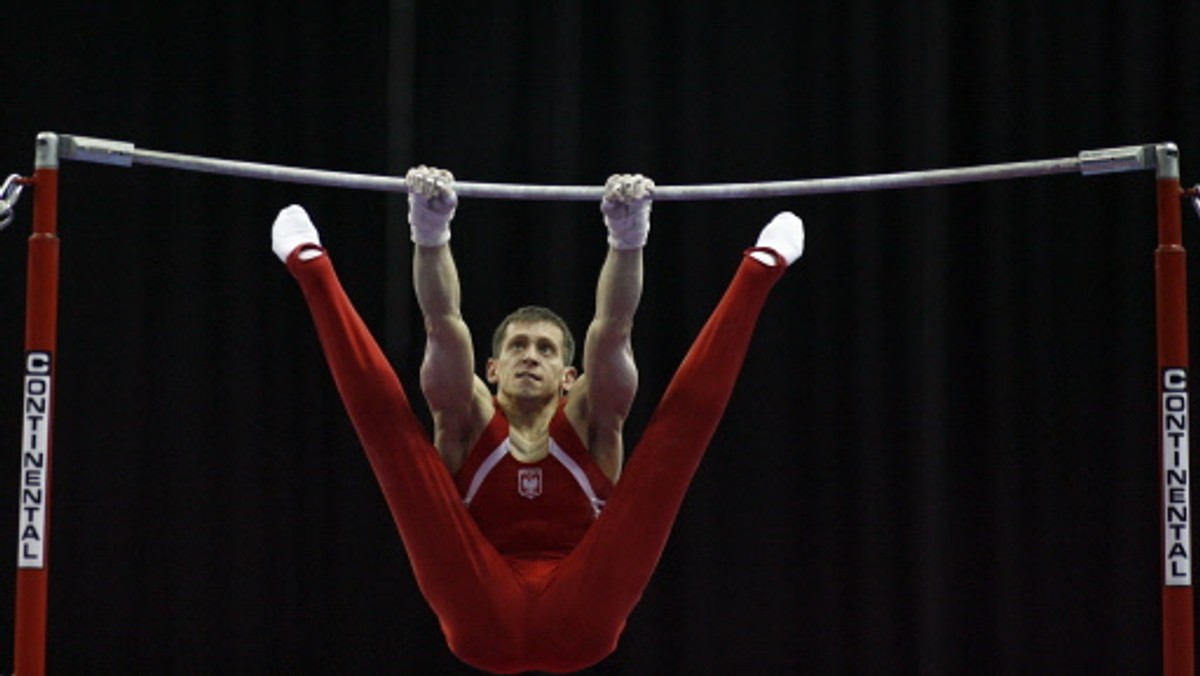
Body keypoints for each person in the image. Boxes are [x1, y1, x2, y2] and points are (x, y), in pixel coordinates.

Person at [271, 166, 805, 674]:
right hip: (480, 612)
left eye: (547, 349)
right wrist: (430, 233)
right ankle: (311, 264)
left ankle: (760, 268)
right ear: (493, 368)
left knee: (672, 441)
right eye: (519, 346)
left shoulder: (594, 419)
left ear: (570, 375)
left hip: (584, 616)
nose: (531, 355)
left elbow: (614, 327)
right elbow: (441, 323)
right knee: (396, 441)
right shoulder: (467, 416)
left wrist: (627, 237)